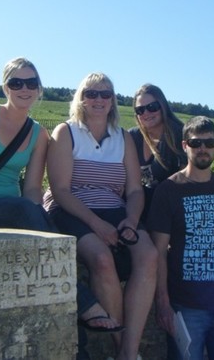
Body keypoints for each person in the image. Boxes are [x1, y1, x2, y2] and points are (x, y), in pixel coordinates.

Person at [0, 58, 122, 355]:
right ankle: (88, 304)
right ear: (5, 87)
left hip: (13, 212)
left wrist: (39, 227)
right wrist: (30, 214)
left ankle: (81, 349)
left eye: (31, 83)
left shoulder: (38, 133)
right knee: (26, 212)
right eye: (16, 83)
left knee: (50, 244)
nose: (24, 89)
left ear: (39, 89)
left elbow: (32, 188)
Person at [44, 72, 158, 360]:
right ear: (80, 98)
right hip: (72, 209)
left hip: (115, 210)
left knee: (149, 256)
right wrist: (97, 225)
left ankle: (129, 352)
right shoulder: (66, 133)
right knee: (103, 260)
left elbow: (134, 190)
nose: (98, 99)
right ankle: (122, 351)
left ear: (112, 101)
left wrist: (131, 221)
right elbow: (60, 190)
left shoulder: (122, 138)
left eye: (105, 94)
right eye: (91, 93)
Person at [146, 116, 214, 360]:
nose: (203, 149)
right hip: (185, 308)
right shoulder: (169, 190)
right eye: (196, 143)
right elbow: (159, 251)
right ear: (185, 146)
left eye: (209, 143)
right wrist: (163, 303)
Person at [129, 84, 187, 222]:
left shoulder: (180, 135)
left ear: (163, 106)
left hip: (169, 214)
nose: (146, 113)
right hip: (135, 213)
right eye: (140, 110)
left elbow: (188, 182)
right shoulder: (132, 137)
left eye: (152, 107)